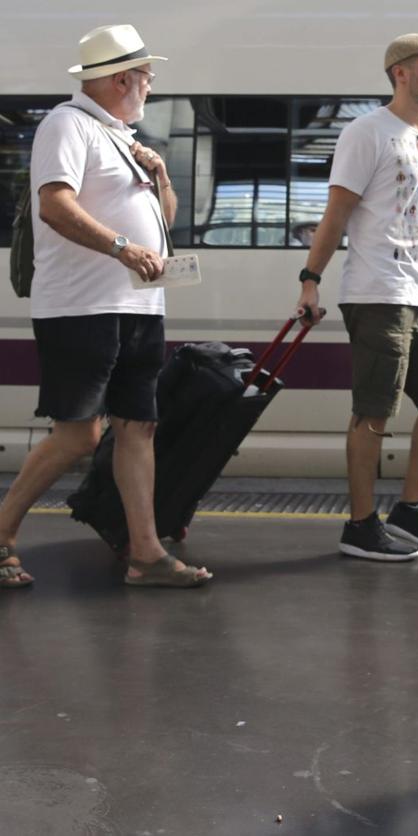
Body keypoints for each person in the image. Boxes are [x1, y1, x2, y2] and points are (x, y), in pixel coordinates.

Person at [0, 24, 212, 590]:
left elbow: (162, 225)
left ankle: (145, 554)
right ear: (122, 78)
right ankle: (0, 534)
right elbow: (54, 205)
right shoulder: (68, 125)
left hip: (138, 304)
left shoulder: (121, 137)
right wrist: (121, 247)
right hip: (82, 308)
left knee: (138, 426)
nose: (150, 85)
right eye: (146, 75)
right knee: (79, 436)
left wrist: (162, 174)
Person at [294, 33, 418, 561]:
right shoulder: (365, 132)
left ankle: (411, 509)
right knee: (374, 410)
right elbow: (338, 213)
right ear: (400, 72)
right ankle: (360, 524)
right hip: (377, 292)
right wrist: (310, 278)